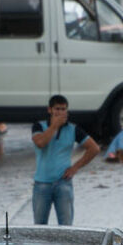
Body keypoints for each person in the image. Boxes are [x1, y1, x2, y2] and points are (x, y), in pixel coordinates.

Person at [31, 94, 99, 225]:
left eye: (63, 109)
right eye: (57, 109)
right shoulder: (39, 126)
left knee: (66, 227)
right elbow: (40, 143)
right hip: (41, 184)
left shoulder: (72, 129)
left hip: (63, 183)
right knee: (39, 228)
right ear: (49, 110)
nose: (60, 112)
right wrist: (54, 127)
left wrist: (75, 167)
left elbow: (94, 148)